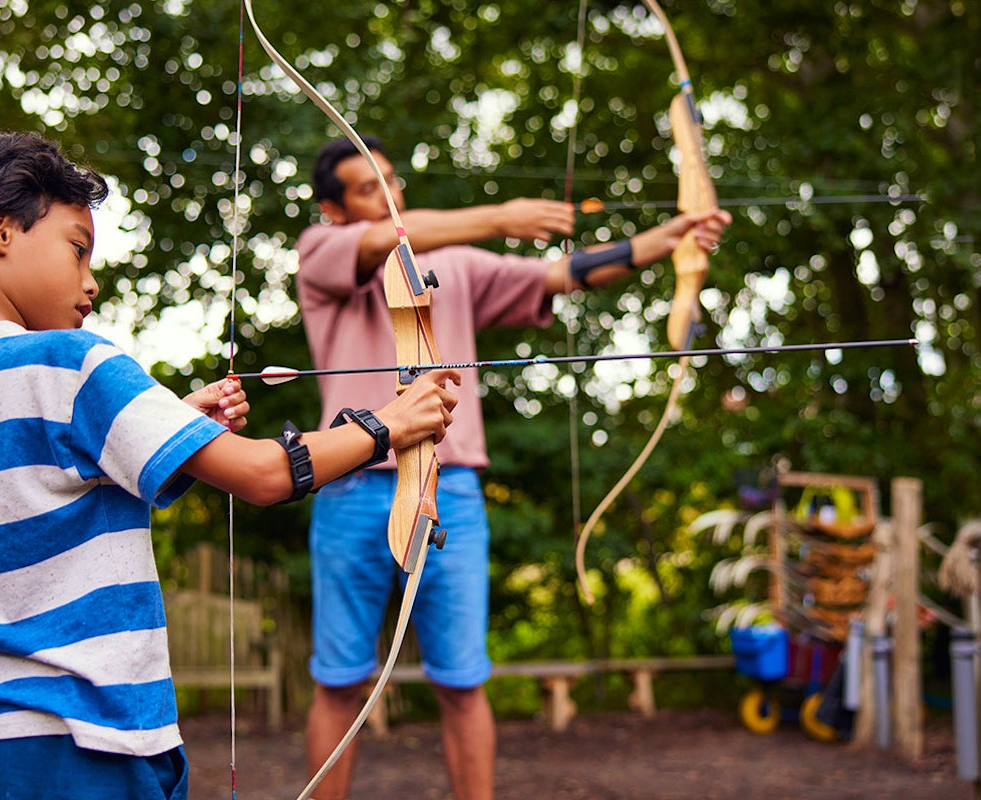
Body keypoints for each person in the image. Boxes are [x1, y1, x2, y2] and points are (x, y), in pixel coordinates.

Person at [0, 128, 460, 800]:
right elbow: (264, 474)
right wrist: (388, 425)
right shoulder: (72, 362)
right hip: (91, 740)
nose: (91, 282)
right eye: (78, 248)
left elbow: (55, 480)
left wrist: (170, 421)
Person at [295, 135, 732, 800]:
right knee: (339, 681)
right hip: (351, 486)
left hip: (452, 488)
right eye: (367, 188)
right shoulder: (321, 250)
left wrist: (671, 237)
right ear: (331, 207)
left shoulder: (457, 265)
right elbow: (383, 242)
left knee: (463, 681)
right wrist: (504, 216)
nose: (388, 195)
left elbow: (570, 273)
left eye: (392, 179)